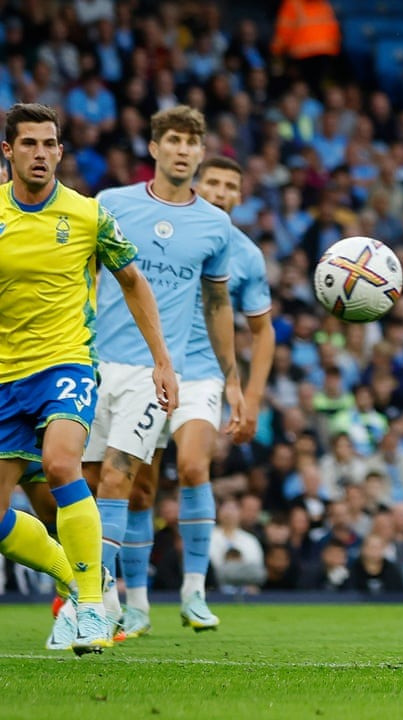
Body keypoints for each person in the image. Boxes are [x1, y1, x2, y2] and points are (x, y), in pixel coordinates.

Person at [0, 102, 177, 654]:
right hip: (4, 376)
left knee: (60, 464)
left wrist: (162, 360)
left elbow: (133, 281)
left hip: (65, 363)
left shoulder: (88, 215)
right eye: (28, 144)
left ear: (60, 151)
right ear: (7, 151)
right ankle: (78, 581)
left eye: (48, 144)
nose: (40, 154)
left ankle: (95, 610)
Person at [83, 105, 243, 638]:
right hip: (94, 363)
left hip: (154, 372)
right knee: (90, 483)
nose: (182, 150)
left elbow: (217, 305)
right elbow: (82, 272)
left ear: (200, 153)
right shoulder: (111, 204)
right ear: (154, 148)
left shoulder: (215, 226)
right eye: (173, 140)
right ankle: (111, 599)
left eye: (191, 142)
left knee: (123, 475)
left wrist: (232, 377)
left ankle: (104, 603)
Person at [127, 155, 275, 634]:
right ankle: (136, 602)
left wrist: (251, 397)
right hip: (146, 368)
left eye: (230, 185)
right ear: (197, 184)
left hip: (203, 374)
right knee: (140, 487)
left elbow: (263, 332)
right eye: (212, 182)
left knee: (193, 466)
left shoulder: (247, 255)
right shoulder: (163, 233)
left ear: (239, 197)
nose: (220, 191)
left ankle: (194, 591)